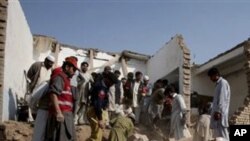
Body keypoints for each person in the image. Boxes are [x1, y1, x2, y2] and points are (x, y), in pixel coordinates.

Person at [45, 56, 78, 141]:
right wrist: (58, 112)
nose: (74, 72)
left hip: (67, 116)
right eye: (73, 69)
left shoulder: (67, 80)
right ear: (67, 67)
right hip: (61, 116)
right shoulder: (60, 77)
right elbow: (53, 94)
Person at [86, 72, 118, 141]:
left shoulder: (102, 85)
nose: (112, 85)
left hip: (97, 111)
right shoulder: (101, 88)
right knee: (96, 136)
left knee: (97, 134)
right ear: (107, 79)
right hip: (95, 112)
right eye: (112, 83)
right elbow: (97, 104)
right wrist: (100, 119)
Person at [30, 55, 55, 141]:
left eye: (52, 63)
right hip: (37, 88)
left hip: (45, 91)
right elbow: (30, 74)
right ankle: (31, 118)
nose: (50, 64)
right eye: (49, 62)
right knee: (33, 103)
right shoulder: (37, 65)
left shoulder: (51, 71)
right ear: (45, 60)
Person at [208, 68, 230, 141]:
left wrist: (218, 111)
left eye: (211, 76)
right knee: (219, 136)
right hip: (217, 115)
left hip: (220, 115)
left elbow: (222, 98)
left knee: (224, 136)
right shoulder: (218, 84)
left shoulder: (222, 83)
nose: (211, 79)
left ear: (216, 75)